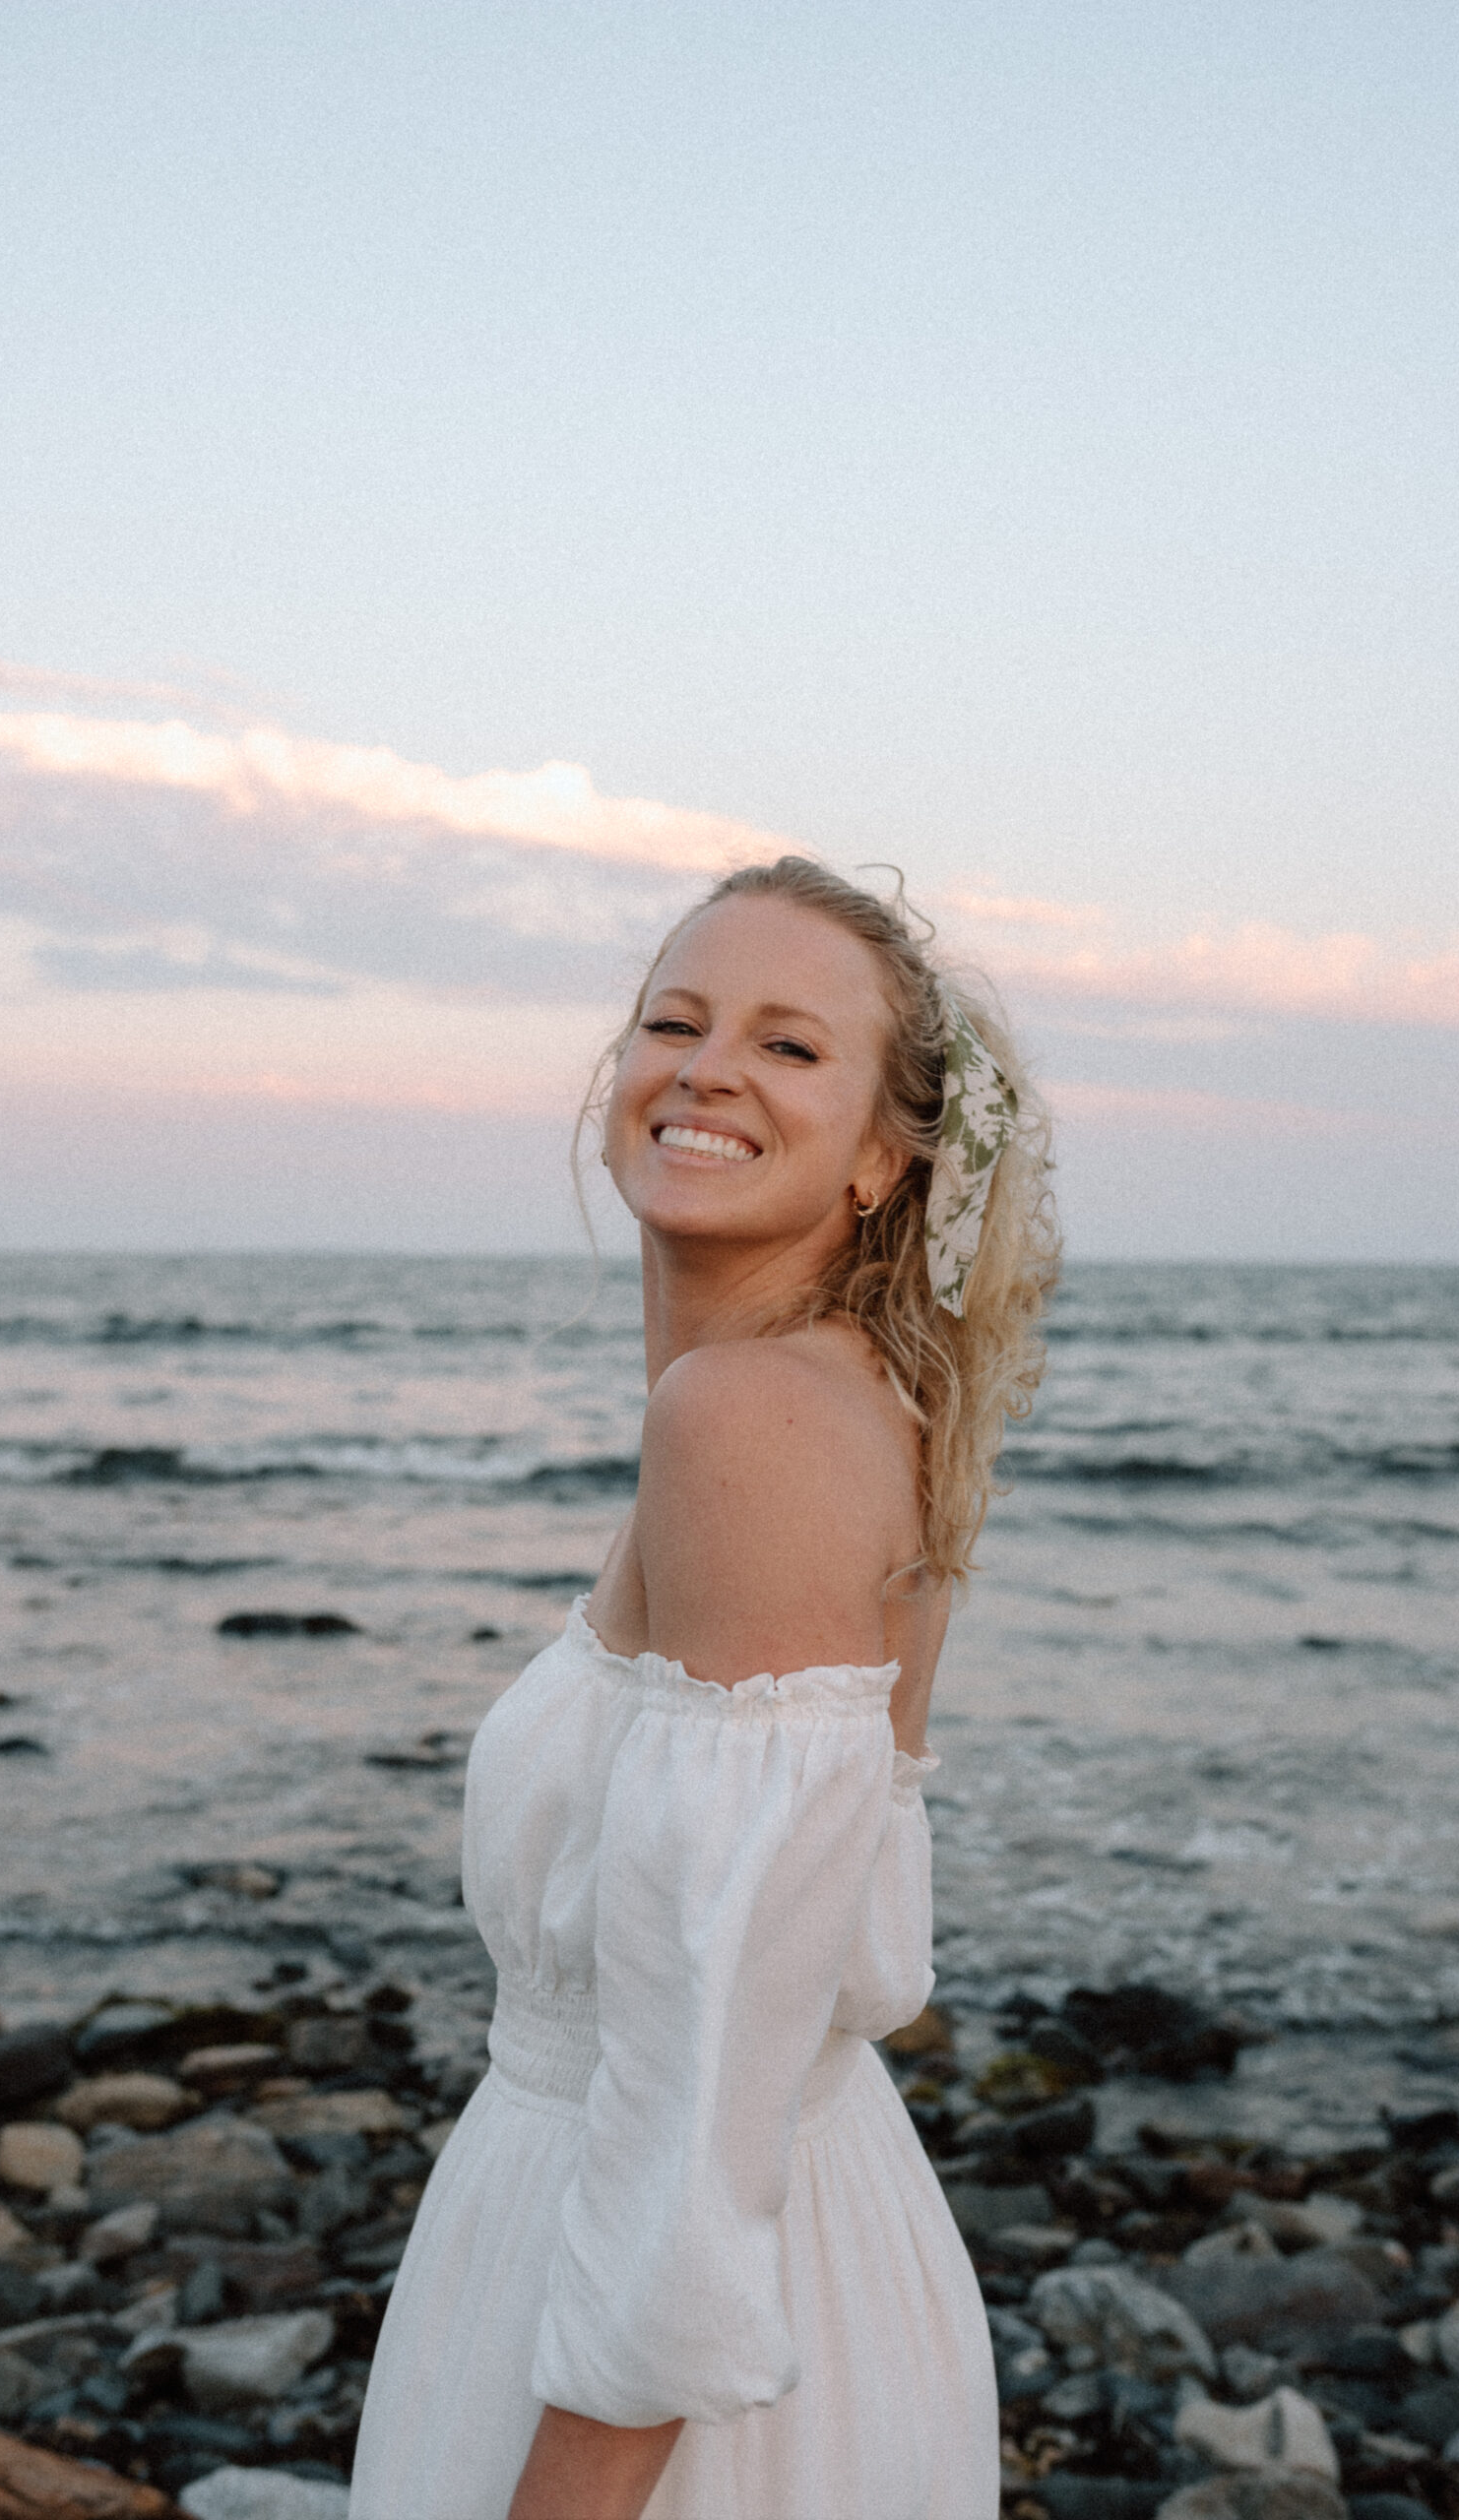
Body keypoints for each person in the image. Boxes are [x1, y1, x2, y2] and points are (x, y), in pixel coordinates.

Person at [349, 856, 1058, 2520]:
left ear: (889, 1157)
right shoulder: (849, 1403)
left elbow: (718, 2042)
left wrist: (576, 2493)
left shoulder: (746, 1423)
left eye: (790, 1045)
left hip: (666, 2369)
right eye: (674, 1019)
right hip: (753, 2247)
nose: (706, 1065)